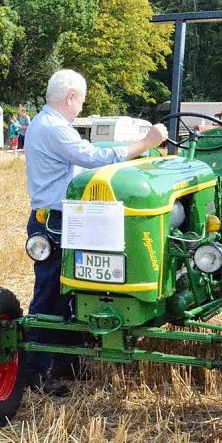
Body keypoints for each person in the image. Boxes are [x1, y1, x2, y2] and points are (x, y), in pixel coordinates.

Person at [24, 69, 167, 393]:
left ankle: (67, 364)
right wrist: (145, 143)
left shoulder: (49, 124)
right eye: (81, 102)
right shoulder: (53, 127)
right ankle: (35, 372)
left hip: (68, 216)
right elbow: (92, 158)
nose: (81, 108)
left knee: (75, 290)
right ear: (71, 97)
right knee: (50, 295)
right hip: (56, 220)